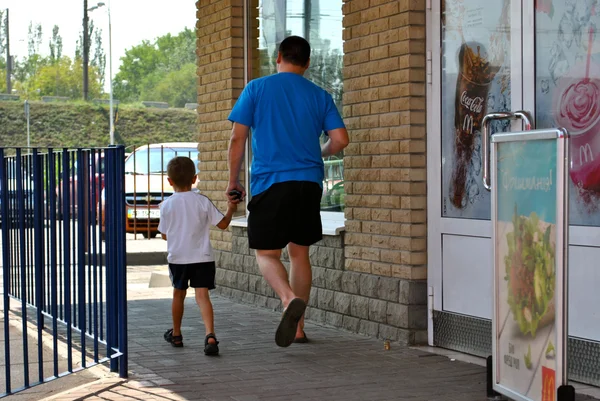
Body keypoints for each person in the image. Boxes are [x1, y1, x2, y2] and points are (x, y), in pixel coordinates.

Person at [226, 35, 349, 347]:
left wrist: (233, 180)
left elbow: (237, 139)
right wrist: (317, 153)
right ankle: (298, 329)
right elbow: (340, 140)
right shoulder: (320, 95)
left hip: (271, 182)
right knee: (299, 253)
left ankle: (287, 298)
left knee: (266, 253)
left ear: (277, 57)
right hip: (308, 185)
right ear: (307, 63)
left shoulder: (256, 88)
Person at [159, 156, 236, 355]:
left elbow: (165, 234)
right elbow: (222, 224)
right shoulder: (202, 201)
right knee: (202, 296)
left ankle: (176, 334)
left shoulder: (166, 205)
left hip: (178, 258)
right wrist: (231, 209)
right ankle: (210, 335)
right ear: (195, 179)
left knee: (179, 294)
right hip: (203, 257)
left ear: (169, 181)